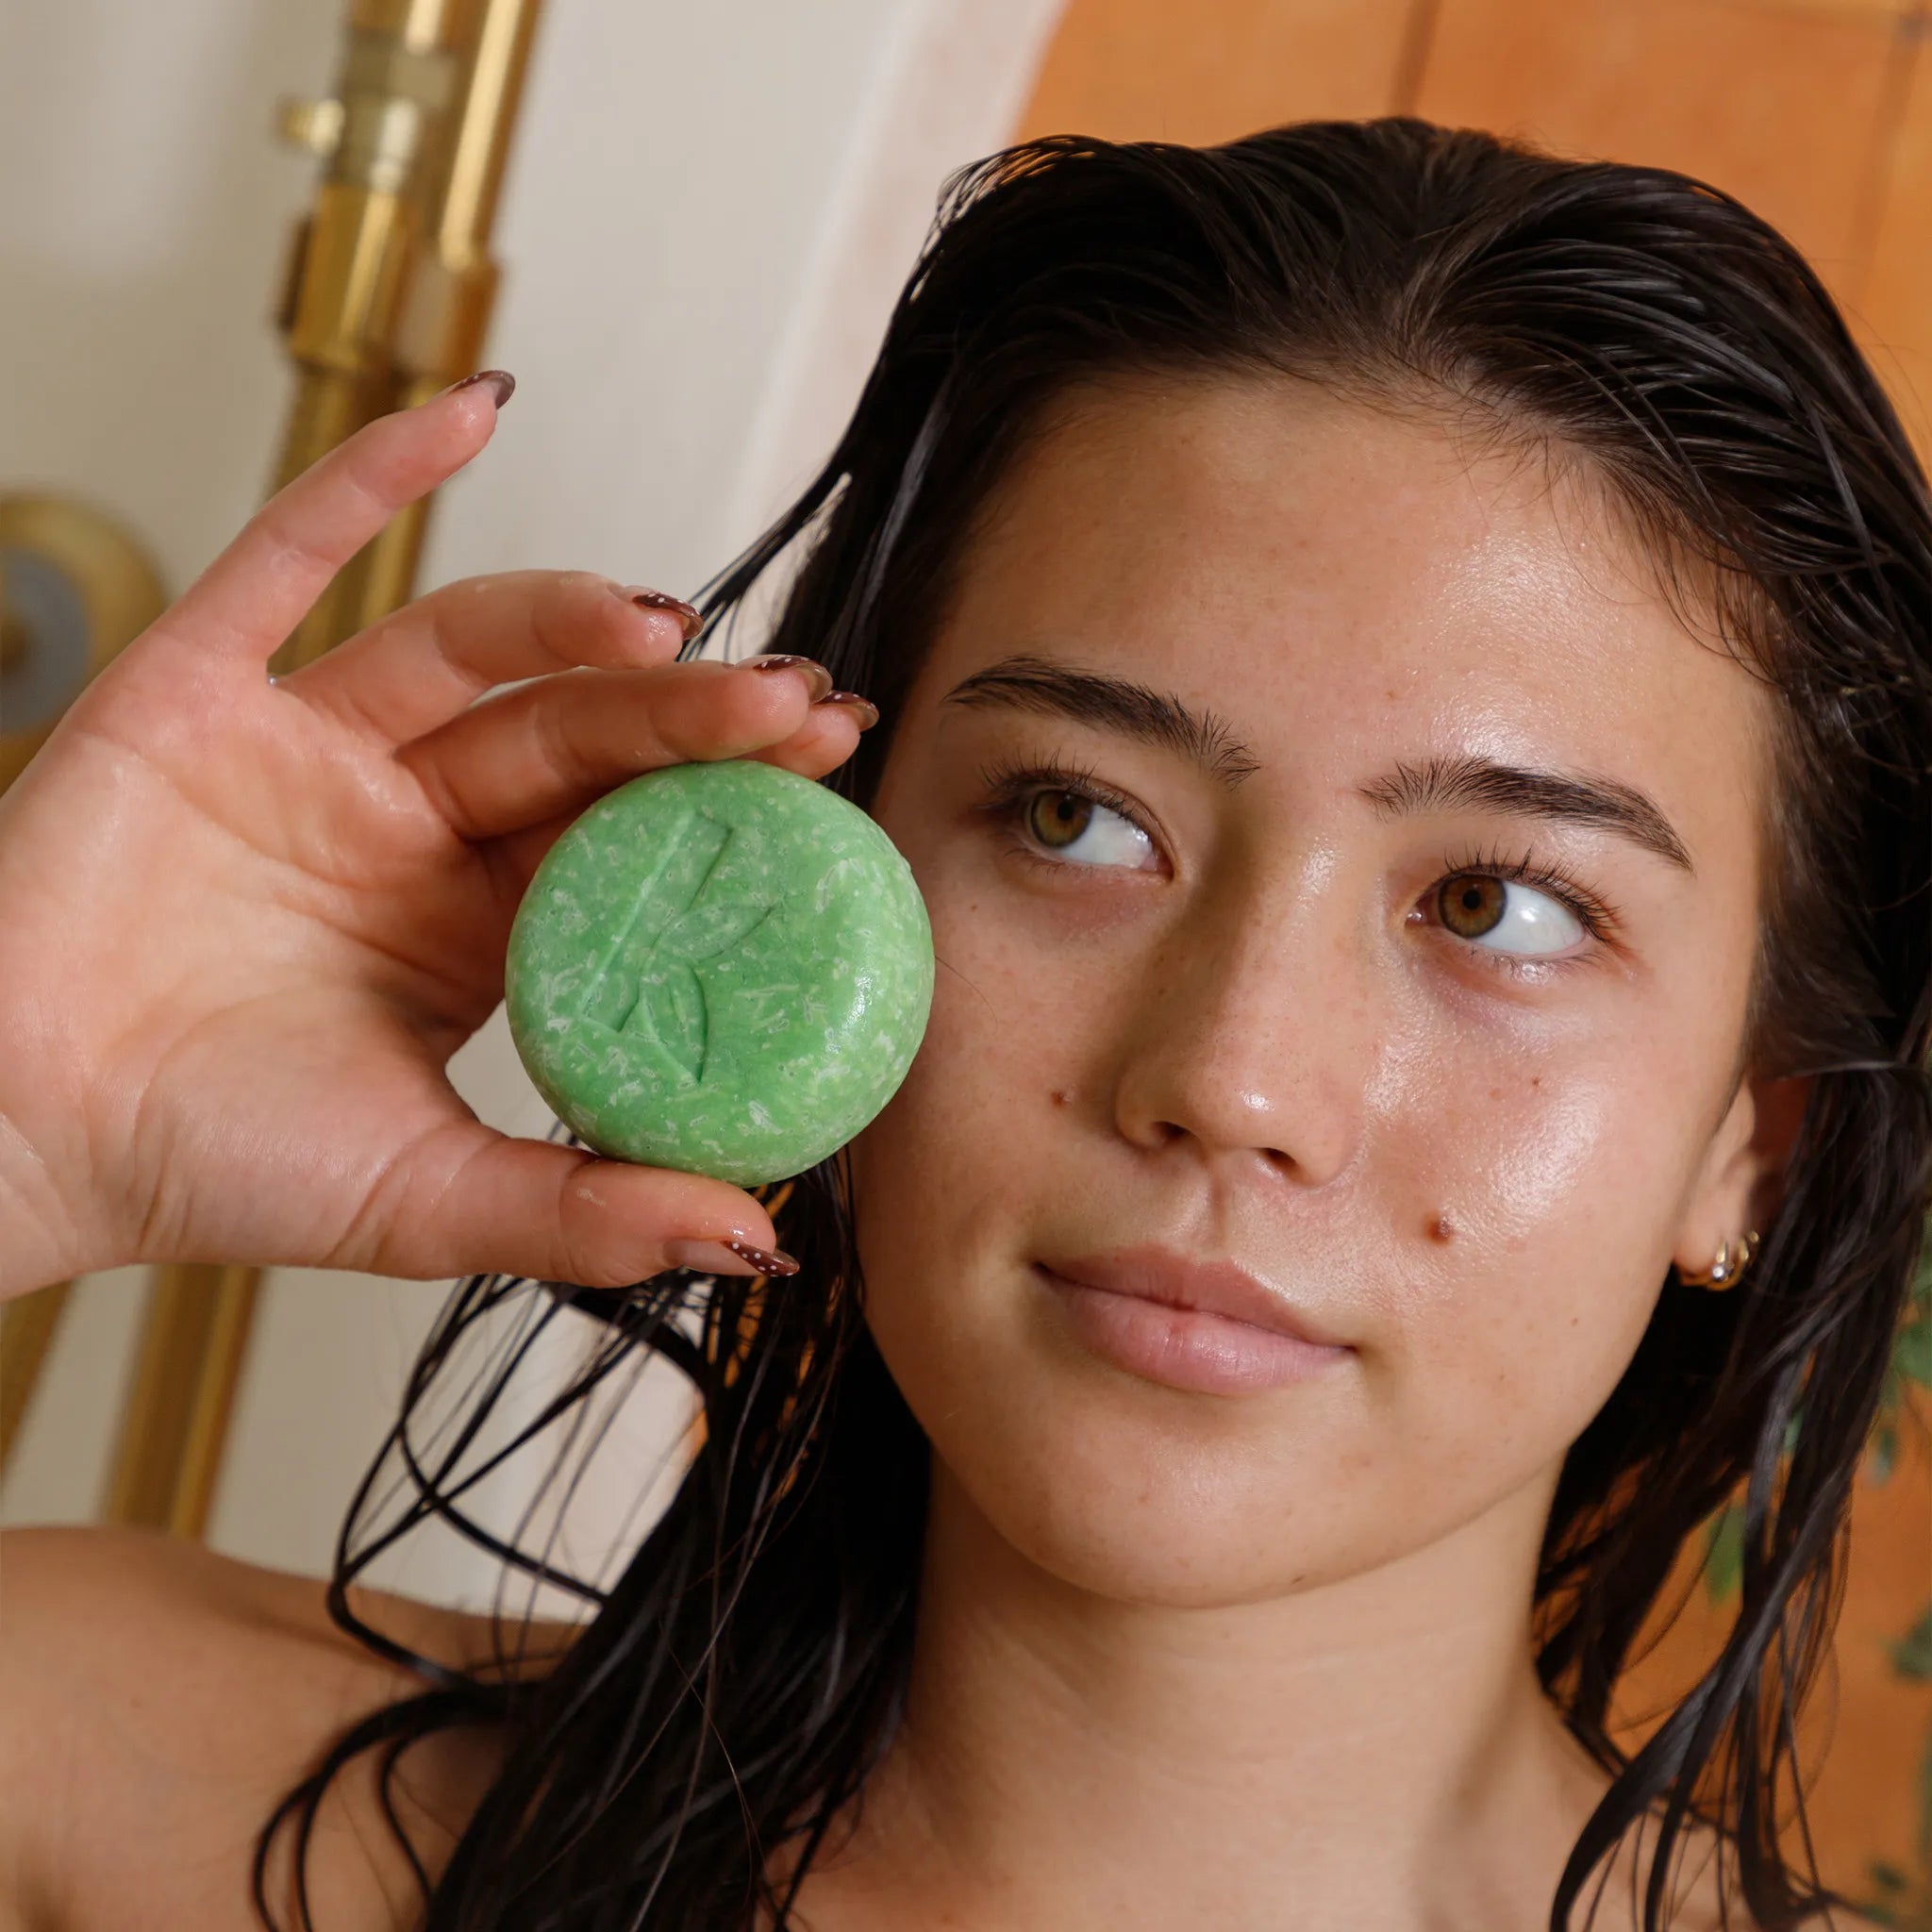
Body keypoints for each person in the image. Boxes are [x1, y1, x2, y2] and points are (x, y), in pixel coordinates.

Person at [0, 115, 1926, 1932]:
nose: (1229, 1078)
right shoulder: (92, 1786)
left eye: (1493, 905)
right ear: (817, 885)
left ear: (1754, 1130)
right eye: (1074, 818)